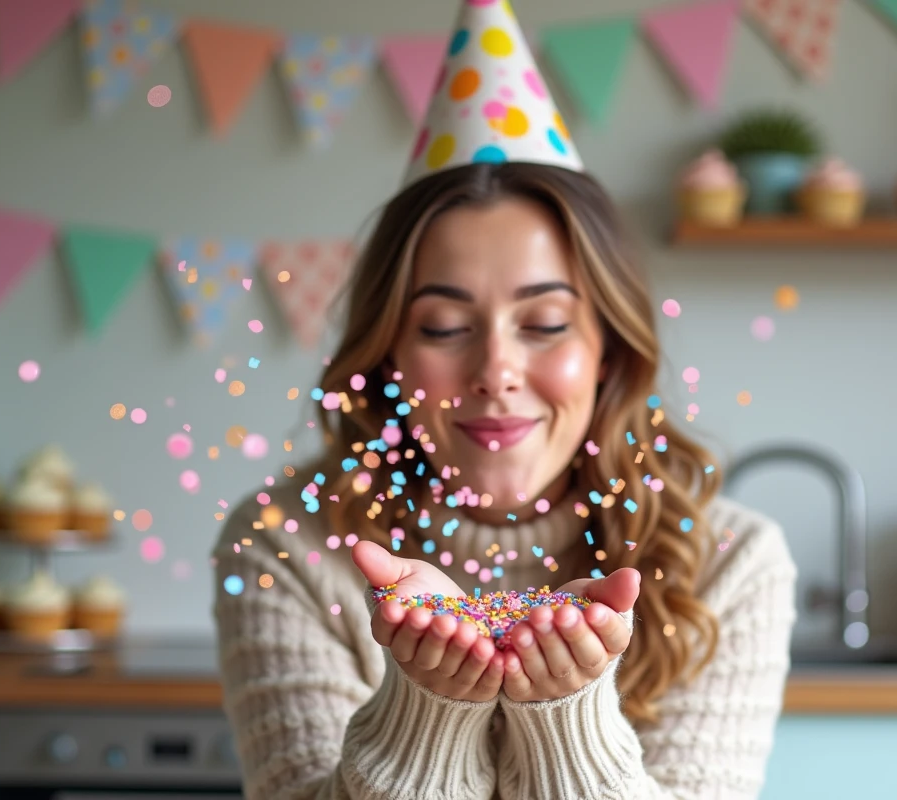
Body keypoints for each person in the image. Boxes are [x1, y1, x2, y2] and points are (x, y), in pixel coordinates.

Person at [212, 2, 798, 798]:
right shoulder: (287, 546)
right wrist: (424, 709)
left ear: (609, 352)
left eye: (546, 324)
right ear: (387, 353)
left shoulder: (730, 563)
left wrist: (567, 716)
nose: (496, 369)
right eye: (445, 326)